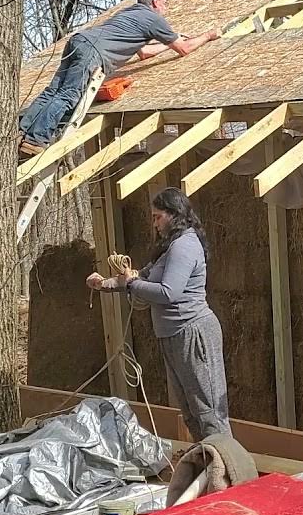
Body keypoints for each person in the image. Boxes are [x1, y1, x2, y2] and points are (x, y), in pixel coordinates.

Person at [87, 188, 231, 441]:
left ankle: (228, 470)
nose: (154, 224)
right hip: (173, 334)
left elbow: (168, 293)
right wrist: (105, 285)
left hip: (193, 333)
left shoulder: (184, 246)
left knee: (208, 411)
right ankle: (206, 463)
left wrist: (130, 285)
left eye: (157, 217)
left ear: (175, 215)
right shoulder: (171, 247)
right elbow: (141, 276)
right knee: (189, 410)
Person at [18, 0, 221, 157]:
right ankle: (36, 139)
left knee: (53, 91)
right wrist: (207, 36)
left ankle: (22, 131)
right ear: (155, 2)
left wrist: (168, 43)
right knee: (69, 95)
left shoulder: (129, 13)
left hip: (79, 41)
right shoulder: (153, 19)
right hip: (93, 51)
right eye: (165, 3)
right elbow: (184, 49)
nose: (166, 8)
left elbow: (143, 53)